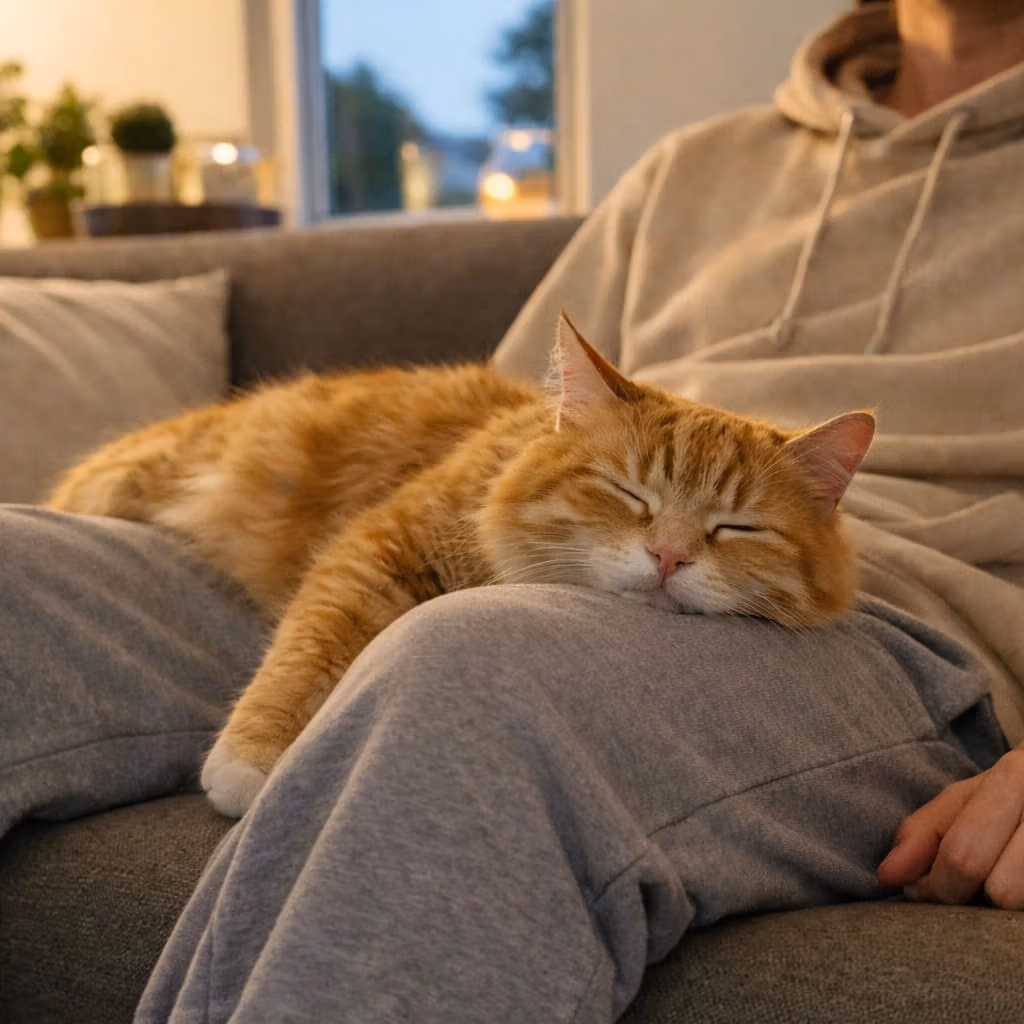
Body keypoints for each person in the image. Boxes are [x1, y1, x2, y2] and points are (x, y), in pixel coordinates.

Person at [3, 0, 1024, 1020]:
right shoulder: (694, 167)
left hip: (864, 623)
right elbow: (514, 438)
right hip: (568, 555)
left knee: (471, 665)